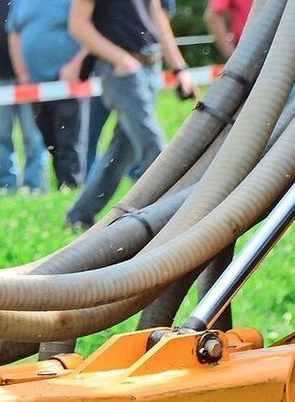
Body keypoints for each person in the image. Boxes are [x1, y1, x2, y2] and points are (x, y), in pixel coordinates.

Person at [62, 0, 196, 230]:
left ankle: (79, 216)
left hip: (149, 66)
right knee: (153, 146)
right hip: (121, 72)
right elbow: (78, 25)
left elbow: (157, 15)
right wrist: (120, 59)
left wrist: (179, 68)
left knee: (122, 152)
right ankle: (178, 218)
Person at [10, 0, 87, 190]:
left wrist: (76, 65)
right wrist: (22, 74)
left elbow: (91, 28)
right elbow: (14, 33)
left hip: (68, 83)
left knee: (69, 140)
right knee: (49, 140)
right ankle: (62, 185)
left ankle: (71, 186)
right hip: (35, 85)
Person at [0, 0, 47, 195]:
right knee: (1, 134)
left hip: (30, 76)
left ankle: (34, 184)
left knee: (34, 134)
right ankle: (5, 183)